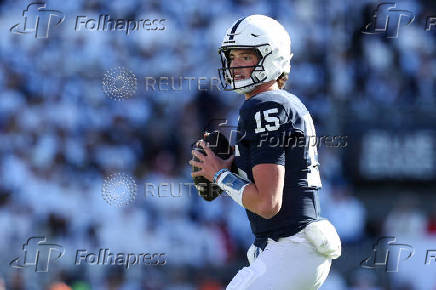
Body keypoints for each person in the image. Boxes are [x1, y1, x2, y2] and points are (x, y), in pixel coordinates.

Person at [189, 15, 341, 289]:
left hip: (289, 247)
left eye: (245, 57)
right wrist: (236, 166)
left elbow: (267, 204)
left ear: (272, 57)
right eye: (232, 57)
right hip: (294, 248)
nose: (235, 65)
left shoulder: (263, 105)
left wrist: (221, 175)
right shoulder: (285, 103)